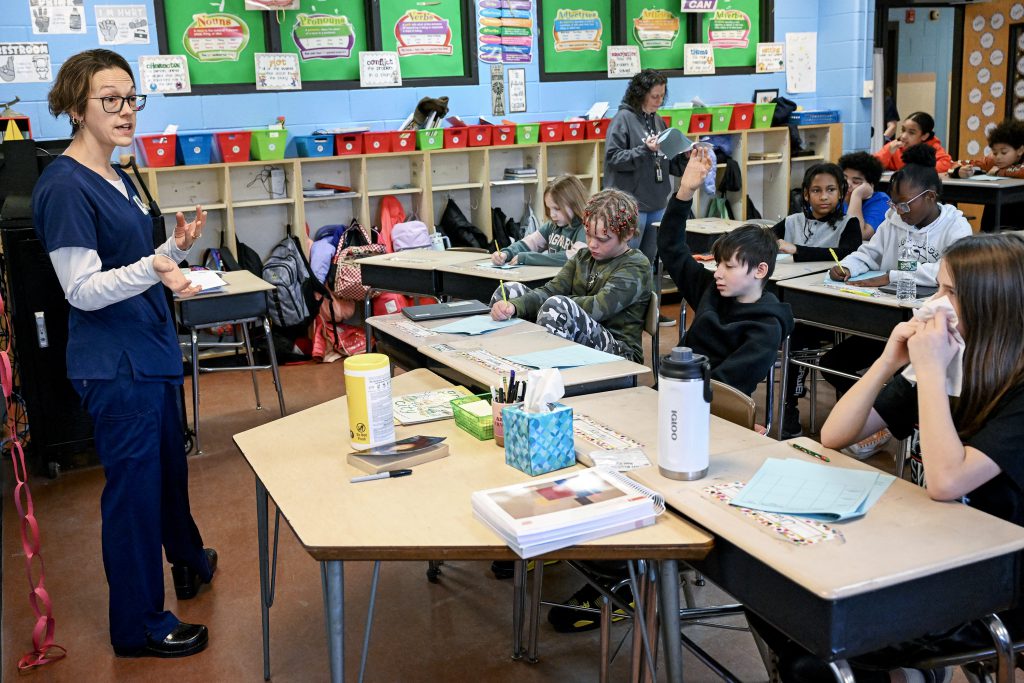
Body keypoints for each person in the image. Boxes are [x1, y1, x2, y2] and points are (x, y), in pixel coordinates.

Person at [756, 232, 1024, 683]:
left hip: (992, 580)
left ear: (991, 305)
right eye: (936, 287)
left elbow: (946, 481)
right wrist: (888, 361)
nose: (934, 303)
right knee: (777, 592)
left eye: (950, 293)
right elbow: (834, 434)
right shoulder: (946, 365)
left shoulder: (1005, 386)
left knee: (817, 638)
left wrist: (933, 372)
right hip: (928, 548)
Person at [32, 49, 215, 658]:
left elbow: (136, 264)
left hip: (148, 347)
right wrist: (152, 265)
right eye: (109, 98)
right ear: (75, 106)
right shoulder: (63, 186)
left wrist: (174, 250)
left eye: (132, 97)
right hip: (116, 365)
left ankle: (187, 560)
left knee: (168, 473)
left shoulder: (120, 174)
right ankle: (139, 626)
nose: (126, 109)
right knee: (134, 497)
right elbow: (81, 288)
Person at [819, 144, 971, 457]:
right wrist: (849, 266)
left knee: (906, 379)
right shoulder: (895, 221)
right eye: (895, 204)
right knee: (833, 363)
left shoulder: (956, 227)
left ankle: (885, 423)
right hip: (885, 319)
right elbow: (870, 252)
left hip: (925, 329)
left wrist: (891, 277)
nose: (898, 211)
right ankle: (873, 421)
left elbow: (948, 271)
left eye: (905, 205)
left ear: (929, 197)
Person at [658, 147, 794, 396]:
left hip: (707, 409)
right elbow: (671, 248)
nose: (718, 273)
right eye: (718, 264)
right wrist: (685, 192)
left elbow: (727, 388)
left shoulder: (766, 326)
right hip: (674, 391)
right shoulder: (712, 288)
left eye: (729, 266)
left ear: (760, 270)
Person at [490, 188, 653, 364]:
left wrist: (553, 301)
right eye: (588, 235)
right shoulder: (583, 256)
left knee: (557, 306)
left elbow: (597, 308)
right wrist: (514, 306)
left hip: (620, 352)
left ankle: (544, 374)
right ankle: (507, 359)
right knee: (508, 292)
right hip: (582, 339)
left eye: (602, 239)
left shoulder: (636, 265)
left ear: (627, 234)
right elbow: (551, 289)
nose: (592, 244)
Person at [771, 162, 861, 437]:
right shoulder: (791, 222)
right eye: (817, 191)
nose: (824, 196)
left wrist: (797, 249)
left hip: (828, 311)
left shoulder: (849, 225)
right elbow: (765, 239)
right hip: (791, 303)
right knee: (788, 328)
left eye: (831, 190)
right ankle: (785, 404)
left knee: (797, 336)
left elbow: (847, 254)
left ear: (842, 193)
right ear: (806, 195)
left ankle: (790, 404)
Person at [602, 69, 681, 327]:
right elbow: (613, 159)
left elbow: (669, 158)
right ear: (640, 94)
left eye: (661, 95)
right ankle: (623, 313)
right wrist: (642, 150)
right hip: (633, 205)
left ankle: (649, 311)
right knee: (627, 263)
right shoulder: (623, 119)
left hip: (657, 202)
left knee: (648, 265)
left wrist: (685, 155)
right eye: (654, 95)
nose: (659, 100)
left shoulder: (658, 121)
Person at [491, 174, 588, 266]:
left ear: (574, 204)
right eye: (549, 208)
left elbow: (574, 257)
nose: (551, 214)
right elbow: (526, 244)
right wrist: (506, 254)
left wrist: (528, 258)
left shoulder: (586, 229)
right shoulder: (552, 225)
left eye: (557, 209)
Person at [949, 118, 1024, 231]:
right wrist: (958, 170)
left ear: (1020, 150)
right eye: (994, 152)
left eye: (1004, 152)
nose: (998, 157)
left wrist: (1000, 172)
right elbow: (954, 164)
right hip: (994, 219)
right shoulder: (992, 161)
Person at [875, 111, 953, 173]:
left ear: (924, 136)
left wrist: (918, 171)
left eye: (911, 133)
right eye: (903, 130)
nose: (903, 136)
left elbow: (945, 163)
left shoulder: (932, 147)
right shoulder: (894, 146)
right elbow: (872, 167)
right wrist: (888, 153)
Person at [839, 151, 889, 239]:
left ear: (871, 185)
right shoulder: (836, 196)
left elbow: (859, 234)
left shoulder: (881, 201)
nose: (847, 184)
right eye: (844, 178)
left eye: (856, 182)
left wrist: (856, 195)